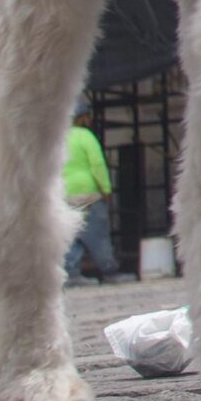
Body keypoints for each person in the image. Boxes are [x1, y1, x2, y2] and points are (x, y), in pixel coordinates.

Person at [61, 104, 121, 283]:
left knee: (70, 236)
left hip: (64, 194)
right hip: (88, 193)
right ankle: (110, 271)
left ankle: (72, 274)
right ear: (82, 117)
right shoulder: (85, 136)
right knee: (97, 234)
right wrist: (106, 189)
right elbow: (97, 164)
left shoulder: (58, 138)